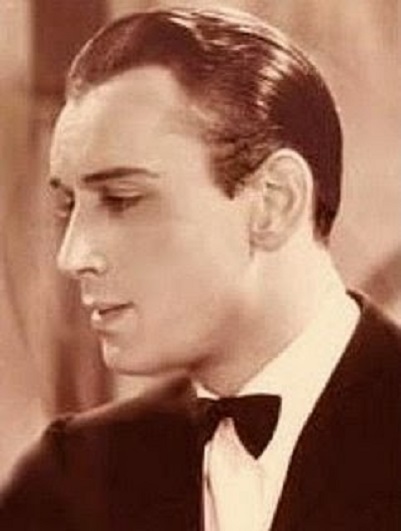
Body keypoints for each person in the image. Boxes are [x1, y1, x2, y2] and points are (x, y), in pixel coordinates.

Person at [1, 7, 400, 531]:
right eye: (68, 206)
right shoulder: (67, 480)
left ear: (274, 202)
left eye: (122, 199)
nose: (72, 257)